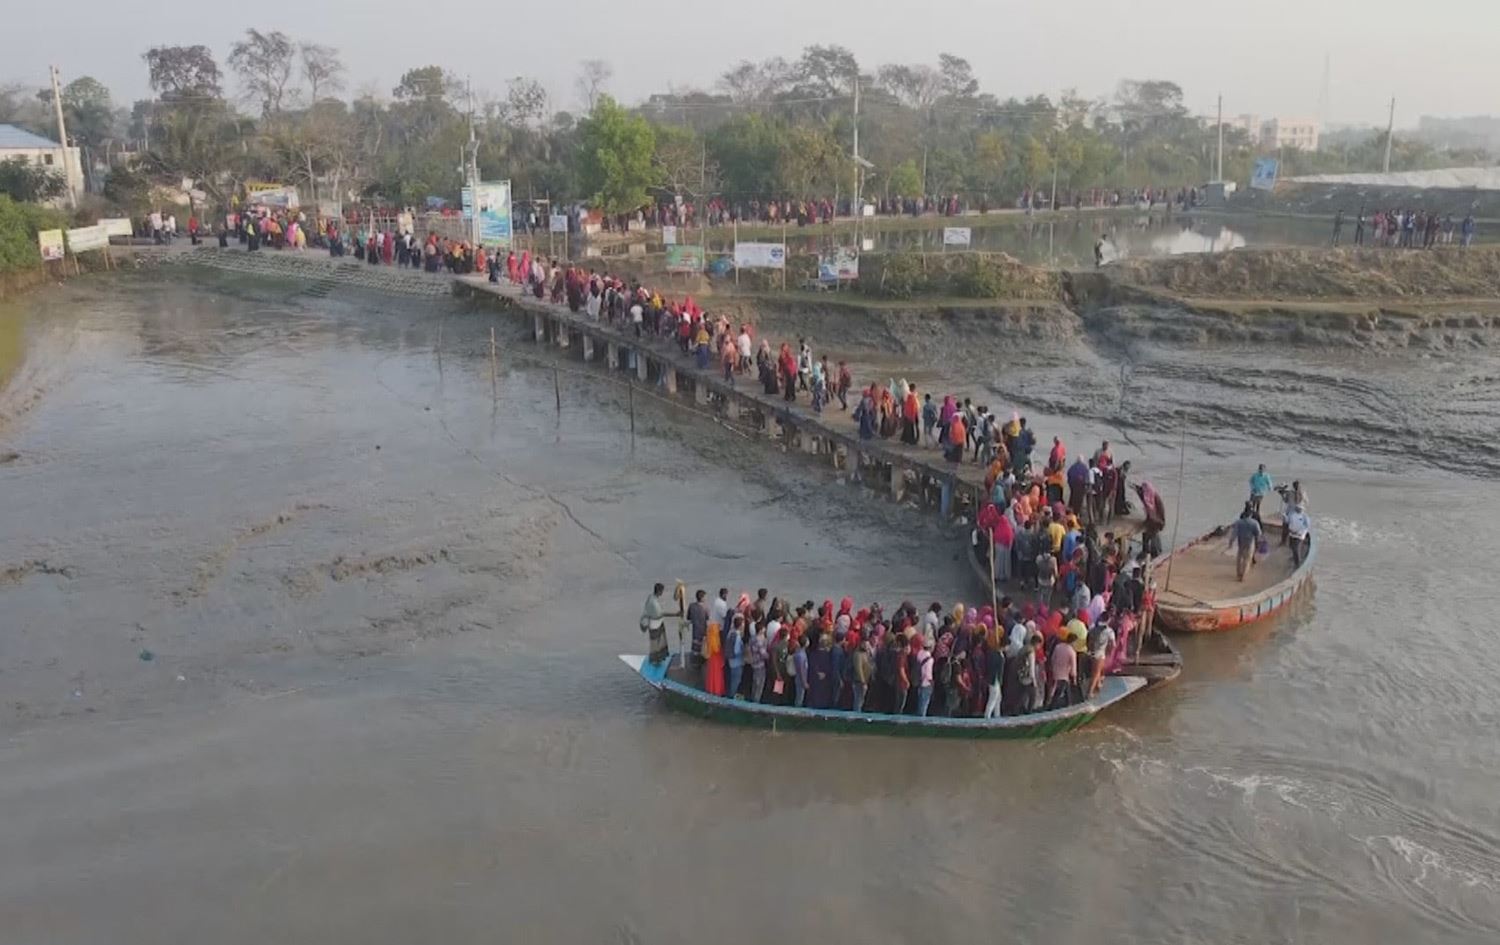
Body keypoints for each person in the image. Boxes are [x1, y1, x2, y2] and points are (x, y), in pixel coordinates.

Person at [1229, 504, 1263, 582]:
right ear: (1251, 514)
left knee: (1239, 558)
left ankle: (1238, 573)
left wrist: (1231, 542)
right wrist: (1258, 544)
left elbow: (1234, 534)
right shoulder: (1254, 523)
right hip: (1250, 543)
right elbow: (1258, 535)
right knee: (1247, 559)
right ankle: (1243, 575)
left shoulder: (1239, 522)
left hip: (1241, 542)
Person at [640, 582, 670, 663]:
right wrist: (675, 614)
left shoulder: (651, 597)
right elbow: (661, 614)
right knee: (655, 643)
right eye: (662, 591)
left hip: (658, 623)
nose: (663, 592)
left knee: (660, 641)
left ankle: (660, 657)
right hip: (655, 625)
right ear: (659, 591)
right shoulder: (653, 602)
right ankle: (654, 660)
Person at [702, 619, 725, 696]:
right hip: (717, 660)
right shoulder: (716, 639)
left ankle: (711, 689)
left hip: (711, 660)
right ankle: (717, 690)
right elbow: (717, 650)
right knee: (717, 677)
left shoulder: (709, 637)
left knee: (711, 676)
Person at [725, 615, 746, 699]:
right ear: (740, 625)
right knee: (736, 681)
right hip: (737, 662)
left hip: (731, 661)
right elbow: (737, 651)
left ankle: (730, 695)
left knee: (732, 679)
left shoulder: (730, 633)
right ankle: (731, 697)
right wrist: (744, 651)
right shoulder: (737, 636)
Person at [686, 590, 709, 666]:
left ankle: (695, 663)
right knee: (703, 648)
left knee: (695, 648)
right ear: (702, 598)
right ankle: (701, 663)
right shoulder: (705, 607)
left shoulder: (691, 606)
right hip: (703, 630)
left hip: (695, 630)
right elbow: (707, 618)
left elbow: (688, 617)